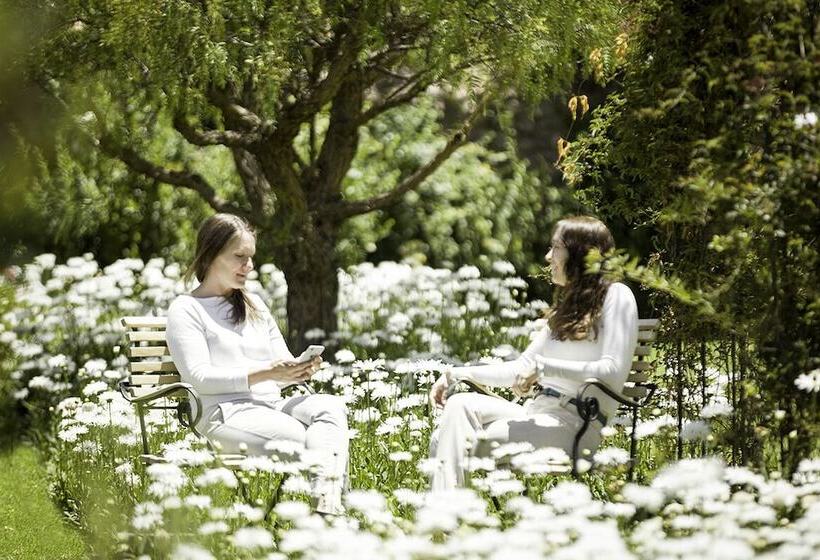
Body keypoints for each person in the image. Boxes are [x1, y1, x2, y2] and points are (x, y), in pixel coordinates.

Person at [427, 216, 638, 490]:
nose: (549, 257)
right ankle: (447, 522)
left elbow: (611, 369)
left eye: (556, 248)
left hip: (574, 423)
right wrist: (456, 374)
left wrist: (545, 368)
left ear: (580, 253)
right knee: (459, 404)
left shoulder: (617, 296)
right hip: (534, 412)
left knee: (445, 441)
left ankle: (443, 524)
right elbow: (521, 367)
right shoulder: (567, 311)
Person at [166, 213, 349, 514]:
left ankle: (326, 508)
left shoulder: (254, 304)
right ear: (211, 255)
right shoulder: (187, 310)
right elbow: (198, 378)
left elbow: (280, 366)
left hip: (271, 406)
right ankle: (330, 516)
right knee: (309, 440)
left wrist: (296, 371)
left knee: (330, 407)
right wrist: (267, 373)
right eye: (239, 256)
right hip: (224, 413)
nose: (248, 266)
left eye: (250, 258)